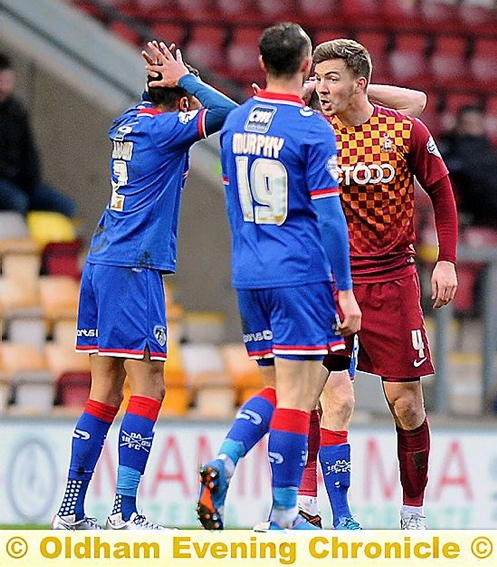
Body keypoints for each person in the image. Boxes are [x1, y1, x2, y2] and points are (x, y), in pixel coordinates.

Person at [51, 41, 237, 531]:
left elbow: (182, 108)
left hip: (103, 260)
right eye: (187, 95)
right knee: (149, 385)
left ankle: (69, 509)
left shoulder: (128, 121)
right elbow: (229, 113)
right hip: (134, 265)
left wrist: (173, 80)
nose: (194, 104)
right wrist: (188, 80)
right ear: (178, 100)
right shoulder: (163, 128)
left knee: (104, 391)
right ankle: (125, 511)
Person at [196, 22, 361, 532]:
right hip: (300, 273)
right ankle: (285, 512)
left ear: (261, 64)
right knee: (298, 395)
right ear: (308, 67)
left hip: (249, 272)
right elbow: (331, 218)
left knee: (274, 388)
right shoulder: (313, 128)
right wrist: (345, 291)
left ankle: (224, 460)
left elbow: (230, 199)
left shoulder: (239, 120)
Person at [311, 38, 458, 530]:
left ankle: (412, 512)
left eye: (332, 77)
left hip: (393, 282)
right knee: (326, 395)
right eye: (316, 76)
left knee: (407, 404)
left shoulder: (402, 130)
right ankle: (310, 503)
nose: (320, 86)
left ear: (361, 82)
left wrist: (447, 261)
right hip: (332, 282)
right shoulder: (315, 133)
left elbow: (441, 191)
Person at [0, 53, 77, 218]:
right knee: (17, 201)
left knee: (66, 206)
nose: (4, 88)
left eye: (7, 82)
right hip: (4, 182)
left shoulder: (16, 111)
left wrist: (29, 179)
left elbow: (29, 150)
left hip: (20, 181)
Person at [438, 104, 497, 229]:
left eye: (476, 123)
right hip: (466, 208)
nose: (471, 128)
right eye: (467, 123)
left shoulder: (489, 150)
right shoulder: (447, 148)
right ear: (458, 124)